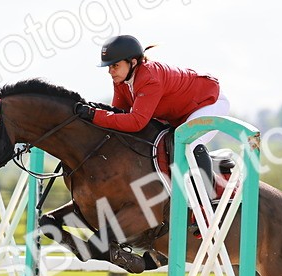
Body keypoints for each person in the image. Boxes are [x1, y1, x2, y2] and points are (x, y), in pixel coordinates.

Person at [74, 35, 228, 209]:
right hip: (180, 113)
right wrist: (90, 112)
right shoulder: (122, 80)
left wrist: (94, 115)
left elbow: (135, 122)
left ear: (132, 62)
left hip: (209, 102)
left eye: (115, 65)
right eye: (109, 66)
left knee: (188, 144)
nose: (111, 71)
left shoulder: (149, 77)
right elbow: (118, 114)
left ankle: (207, 205)